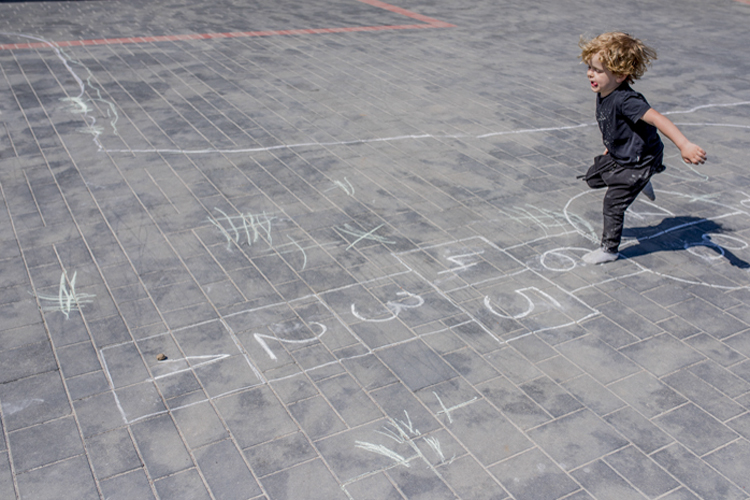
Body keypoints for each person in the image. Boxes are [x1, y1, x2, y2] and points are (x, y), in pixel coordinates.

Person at [578, 32, 707, 264]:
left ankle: (609, 250)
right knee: (593, 178)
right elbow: (617, 126)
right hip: (623, 153)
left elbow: (658, 119)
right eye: (590, 67)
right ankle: (641, 182)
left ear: (620, 75)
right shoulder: (605, 91)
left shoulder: (627, 100)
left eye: (597, 70)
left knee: (612, 203)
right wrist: (612, 146)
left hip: (640, 161)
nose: (590, 73)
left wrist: (684, 144)